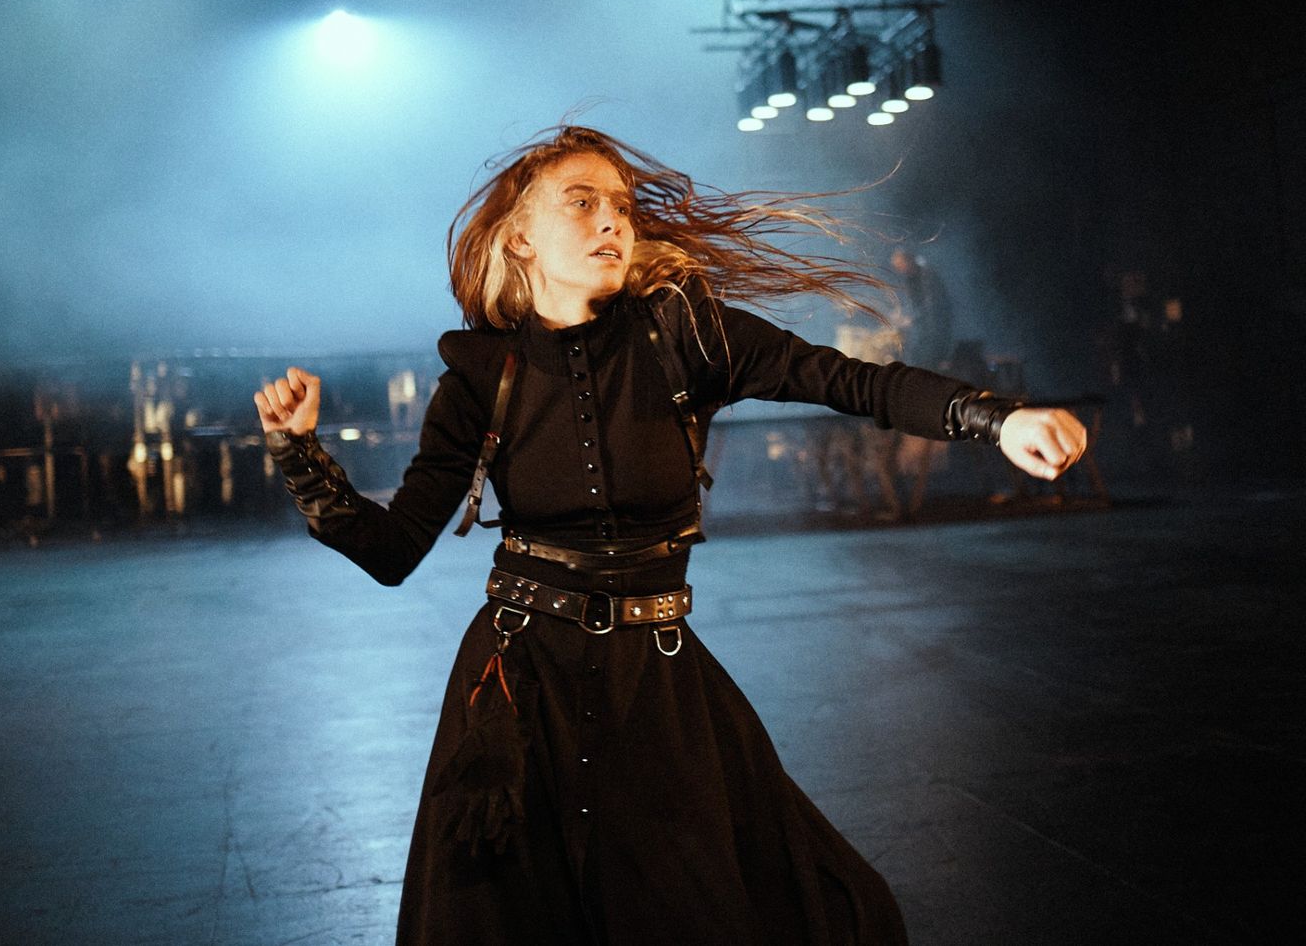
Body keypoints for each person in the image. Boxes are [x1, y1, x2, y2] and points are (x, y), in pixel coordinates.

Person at [254, 126, 1086, 944]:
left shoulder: (687, 337)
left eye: (620, 205)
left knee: (788, 908)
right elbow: (393, 550)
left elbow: (850, 381)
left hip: (656, 680)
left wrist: (996, 419)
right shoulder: (482, 372)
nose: (612, 221)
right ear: (520, 239)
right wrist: (299, 454)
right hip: (516, 691)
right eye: (581, 204)